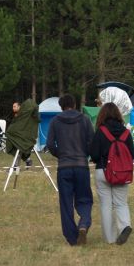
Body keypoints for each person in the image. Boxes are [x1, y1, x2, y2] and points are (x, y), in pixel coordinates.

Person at [46, 94, 94, 246]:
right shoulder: (85, 120)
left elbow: (50, 145)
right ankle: (84, 224)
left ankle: (73, 238)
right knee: (85, 199)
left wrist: (61, 155)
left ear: (60, 106)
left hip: (64, 167)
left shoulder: (55, 121)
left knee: (66, 203)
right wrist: (84, 154)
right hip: (81, 165)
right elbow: (91, 142)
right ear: (75, 104)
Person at [89, 102, 134, 245]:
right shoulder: (126, 133)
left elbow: (94, 154)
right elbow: (132, 154)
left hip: (103, 171)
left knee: (106, 205)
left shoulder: (101, 131)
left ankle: (109, 239)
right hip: (122, 173)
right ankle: (125, 226)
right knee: (121, 203)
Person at [9, 102, 32, 167]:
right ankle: (28, 160)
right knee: (18, 151)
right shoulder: (15, 115)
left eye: (14, 106)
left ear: (19, 107)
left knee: (17, 150)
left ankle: (15, 166)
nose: (13, 108)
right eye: (13, 106)